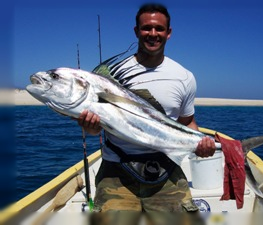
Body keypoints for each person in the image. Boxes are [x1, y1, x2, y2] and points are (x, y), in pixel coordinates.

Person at [77, 3, 216, 225]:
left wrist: (200, 147)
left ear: (168, 33)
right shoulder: (110, 76)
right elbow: (96, 129)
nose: (153, 34)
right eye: (147, 28)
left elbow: (187, 122)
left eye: (159, 29)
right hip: (116, 169)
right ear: (136, 31)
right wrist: (90, 127)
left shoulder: (184, 77)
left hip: (166, 166)